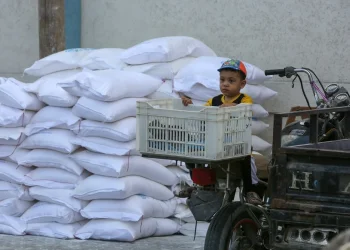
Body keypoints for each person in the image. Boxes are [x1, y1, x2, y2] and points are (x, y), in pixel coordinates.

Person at [180, 59, 263, 205]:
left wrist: (231, 106)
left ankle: (250, 190)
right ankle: (196, 184)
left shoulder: (244, 99)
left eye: (231, 80)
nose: (225, 84)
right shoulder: (214, 101)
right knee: (191, 154)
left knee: (245, 160)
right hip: (216, 143)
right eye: (222, 80)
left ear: (242, 84)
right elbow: (203, 111)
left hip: (237, 143)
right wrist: (190, 104)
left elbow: (246, 108)